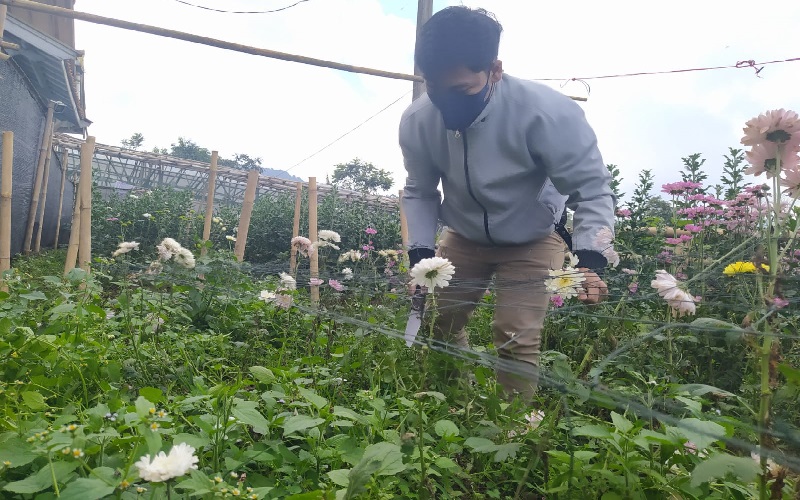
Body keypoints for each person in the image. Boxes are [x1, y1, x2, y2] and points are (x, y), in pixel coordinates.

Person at [399, 6, 617, 402]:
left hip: (532, 239)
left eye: (462, 90)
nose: (448, 105)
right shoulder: (418, 120)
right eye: (435, 87)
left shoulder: (548, 113)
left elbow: (592, 188)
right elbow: (420, 190)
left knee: (516, 335)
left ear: (494, 69)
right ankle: (453, 407)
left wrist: (590, 261)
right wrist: (421, 251)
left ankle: (514, 430)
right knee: (442, 323)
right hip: (462, 237)